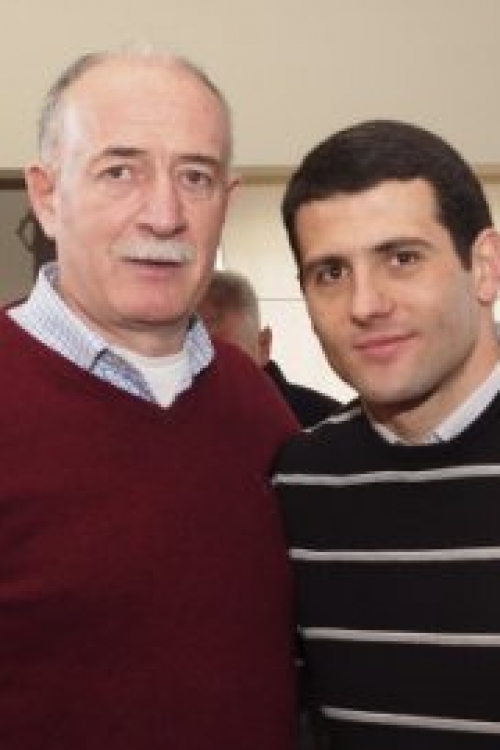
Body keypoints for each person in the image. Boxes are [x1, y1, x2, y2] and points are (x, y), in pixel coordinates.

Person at [1, 47, 299, 750]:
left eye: (195, 177)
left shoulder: (257, 407)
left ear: (226, 204)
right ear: (47, 196)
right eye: (119, 171)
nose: (164, 215)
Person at [272, 119, 500, 748]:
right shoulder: (301, 482)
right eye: (331, 273)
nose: (365, 305)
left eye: (402, 259)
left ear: (484, 267)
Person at [198, 269, 341, 426]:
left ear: (263, 345)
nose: (210, 376)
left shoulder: (330, 427)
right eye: (192, 359)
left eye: (231, 359)